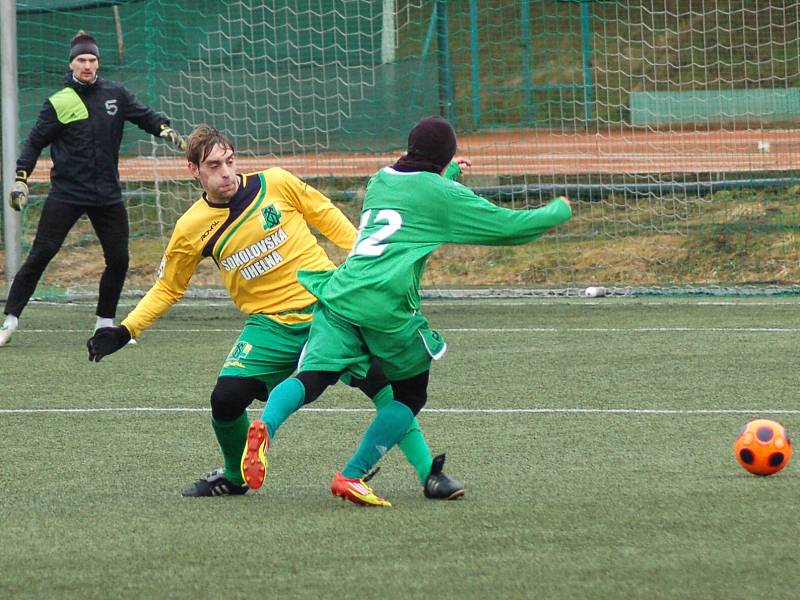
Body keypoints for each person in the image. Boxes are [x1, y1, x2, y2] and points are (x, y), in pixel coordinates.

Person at [86, 124, 464, 500]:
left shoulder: (276, 183)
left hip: (328, 309)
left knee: (385, 386)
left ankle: (429, 473)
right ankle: (234, 477)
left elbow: (326, 214)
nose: (226, 172)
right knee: (225, 399)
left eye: (230, 161)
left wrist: (365, 261)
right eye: (214, 165)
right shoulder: (190, 228)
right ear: (193, 171)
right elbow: (170, 286)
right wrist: (126, 330)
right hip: (270, 325)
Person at [241, 116, 573, 507]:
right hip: (385, 307)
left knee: (312, 376)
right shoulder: (440, 195)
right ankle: (350, 475)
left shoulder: (381, 179)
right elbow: (508, 227)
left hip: (340, 293)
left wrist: (447, 173)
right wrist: (558, 211)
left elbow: (415, 194)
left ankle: (266, 424)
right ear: (444, 156)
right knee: (411, 394)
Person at [0, 31, 186, 347]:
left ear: (98, 62)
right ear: (72, 64)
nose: (87, 65)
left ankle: (104, 324)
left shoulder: (116, 94)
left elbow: (145, 116)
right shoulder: (59, 102)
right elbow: (34, 142)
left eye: (92, 59)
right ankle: (9, 321)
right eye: (81, 60)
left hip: (107, 195)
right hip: (67, 194)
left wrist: (166, 130)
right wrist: (21, 177)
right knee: (41, 254)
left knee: (119, 259)